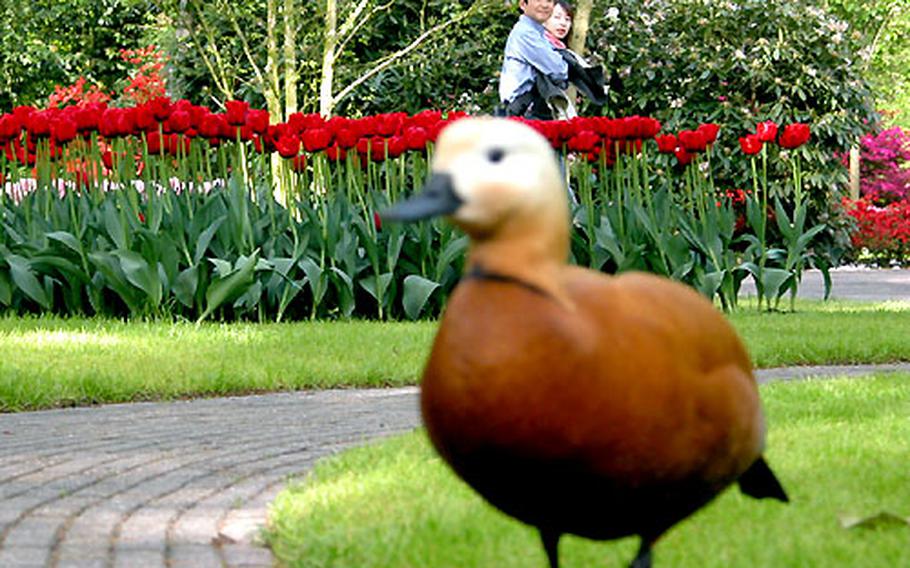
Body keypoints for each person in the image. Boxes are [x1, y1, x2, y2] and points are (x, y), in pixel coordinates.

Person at [498, 0, 569, 120]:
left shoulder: (538, 33)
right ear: (523, 4)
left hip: (529, 109)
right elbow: (559, 70)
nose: (545, 5)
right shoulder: (525, 33)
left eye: (549, 1)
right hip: (524, 111)